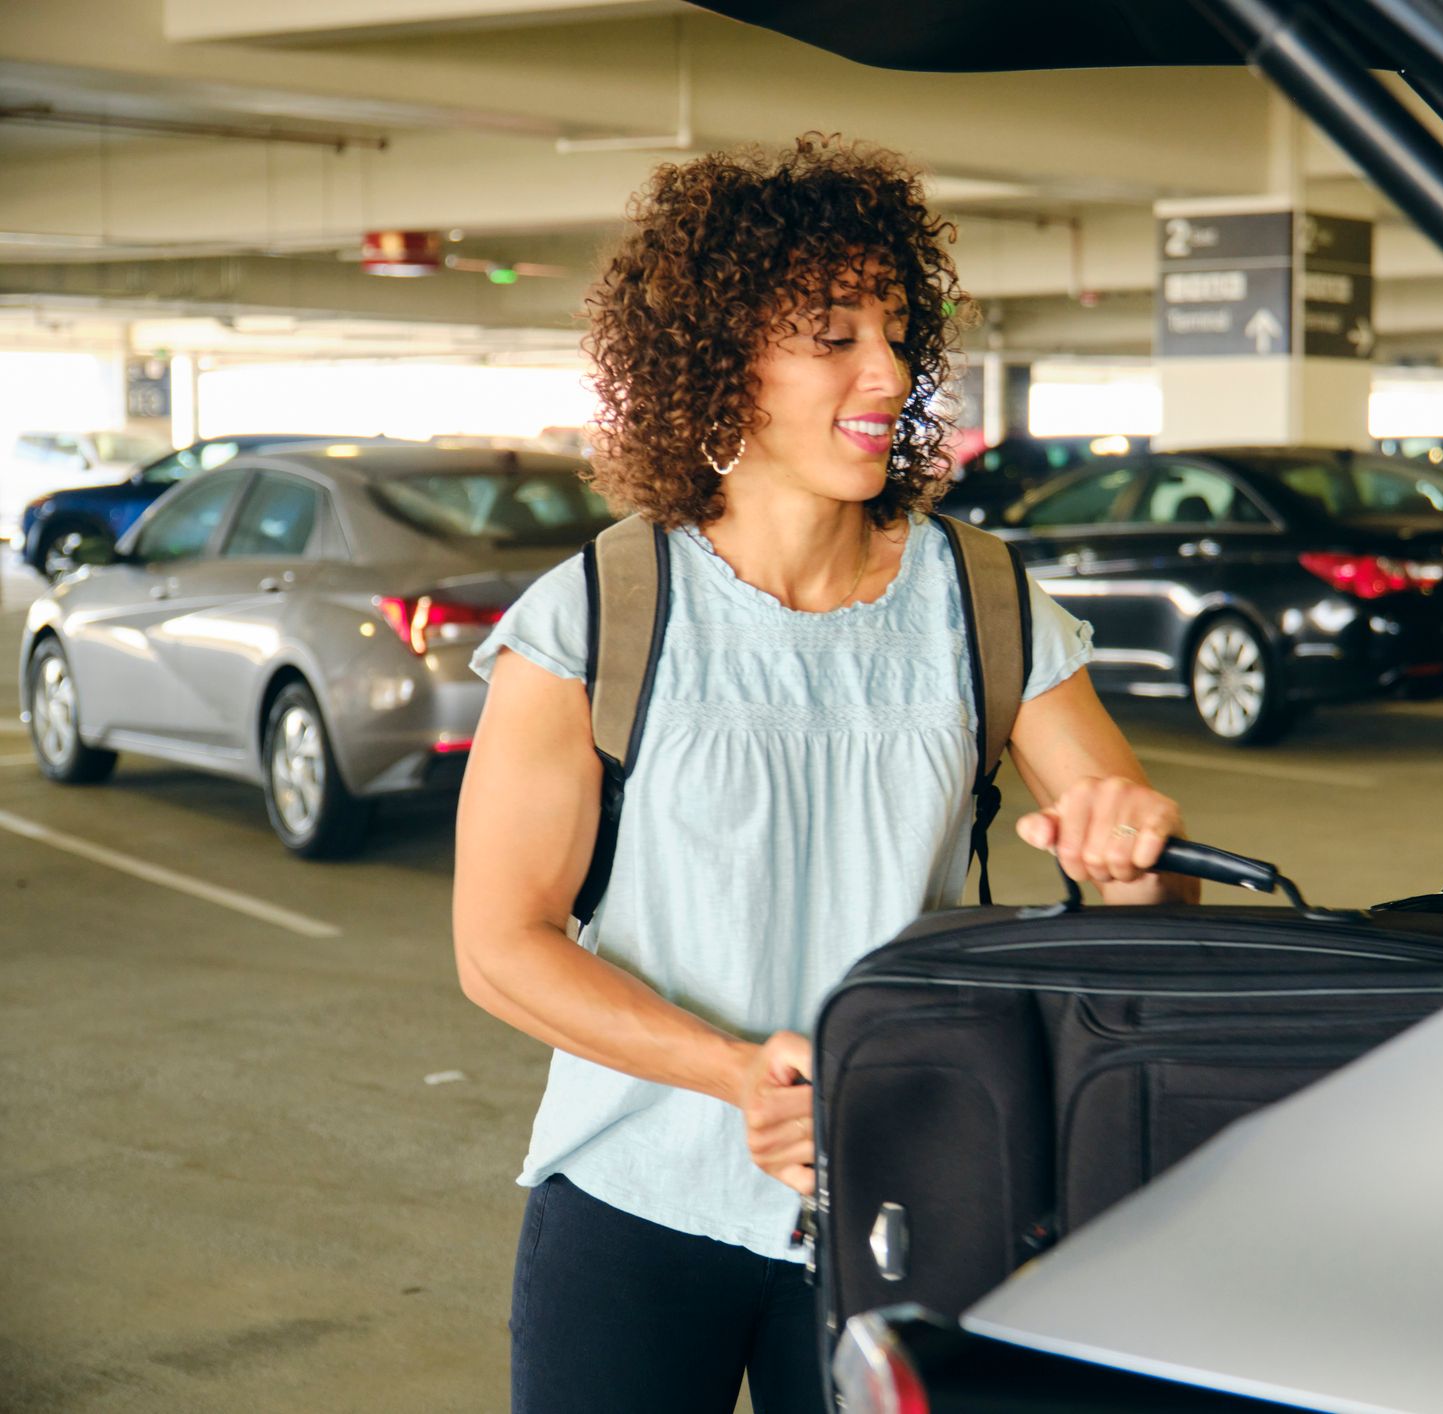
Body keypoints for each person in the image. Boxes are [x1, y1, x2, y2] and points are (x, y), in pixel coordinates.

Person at [450, 134, 1198, 1414]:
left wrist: (1130, 854)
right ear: (714, 358)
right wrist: (736, 1072)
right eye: (833, 333)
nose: (889, 371)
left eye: (899, 332)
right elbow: (499, 945)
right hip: (639, 1199)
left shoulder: (987, 602)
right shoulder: (598, 616)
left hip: (912, 1193)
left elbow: (1151, 917)